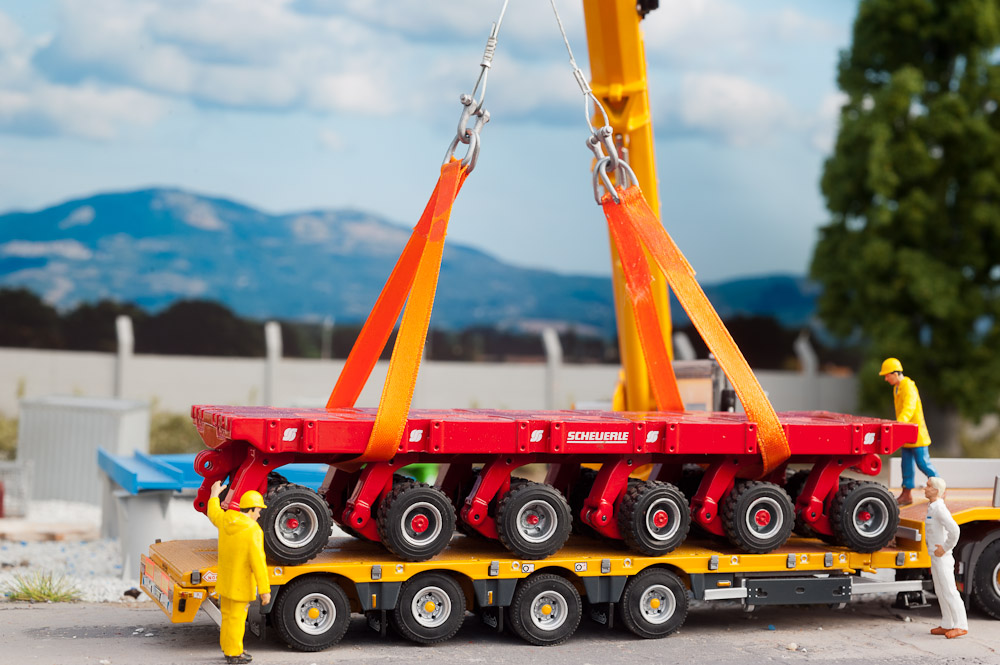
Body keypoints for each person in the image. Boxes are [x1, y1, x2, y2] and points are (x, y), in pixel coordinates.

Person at [207, 481, 271, 664]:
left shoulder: (226, 519)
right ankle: (235, 654)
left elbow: (213, 512)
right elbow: (258, 562)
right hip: (240, 585)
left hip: (225, 583)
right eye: (258, 510)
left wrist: (214, 494)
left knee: (227, 618)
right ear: (252, 509)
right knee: (237, 619)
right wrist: (265, 590)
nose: (259, 514)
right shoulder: (252, 530)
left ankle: (227, 648)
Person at [880, 358, 938, 505]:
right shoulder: (897, 388)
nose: (886, 379)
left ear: (895, 374)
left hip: (917, 434)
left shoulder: (908, 386)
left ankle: (939, 489)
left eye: (887, 375)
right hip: (906, 434)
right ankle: (906, 494)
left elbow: (909, 407)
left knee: (923, 463)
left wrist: (900, 422)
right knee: (906, 465)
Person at [923, 476, 968, 639]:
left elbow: (954, 530)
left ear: (935, 490)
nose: (925, 488)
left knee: (949, 590)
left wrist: (945, 548)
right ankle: (947, 623)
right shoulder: (932, 507)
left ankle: (961, 625)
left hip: (942, 557)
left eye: (928, 486)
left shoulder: (939, 509)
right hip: (935, 556)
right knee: (940, 591)